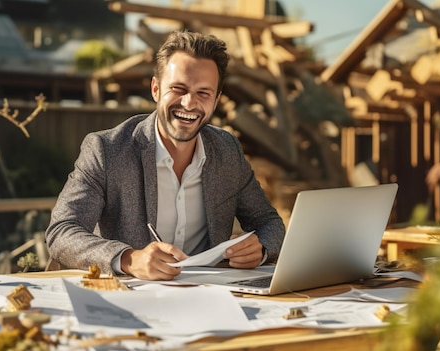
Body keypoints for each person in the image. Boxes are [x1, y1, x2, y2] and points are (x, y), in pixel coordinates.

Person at [45, 30, 285, 281]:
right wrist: (128, 259)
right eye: (179, 89)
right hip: (131, 302)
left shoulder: (228, 151)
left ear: (216, 101)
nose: (189, 103)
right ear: (156, 89)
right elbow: (61, 232)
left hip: (212, 298)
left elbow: (269, 222)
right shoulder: (107, 150)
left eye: (204, 93)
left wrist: (261, 249)